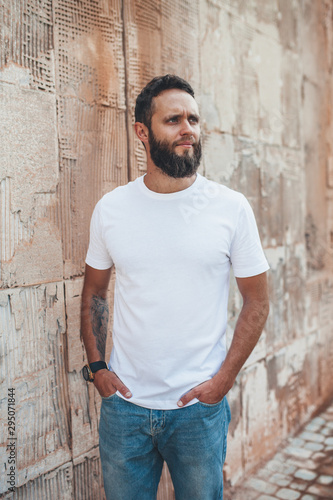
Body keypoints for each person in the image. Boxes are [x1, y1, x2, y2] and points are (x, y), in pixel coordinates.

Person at [81, 74, 270, 500]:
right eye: (173, 120)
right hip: (124, 411)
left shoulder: (230, 208)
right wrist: (98, 369)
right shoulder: (111, 209)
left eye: (193, 119)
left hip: (197, 412)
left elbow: (257, 301)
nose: (188, 129)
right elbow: (94, 291)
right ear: (142, 132)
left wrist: (223, 380)